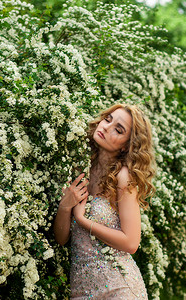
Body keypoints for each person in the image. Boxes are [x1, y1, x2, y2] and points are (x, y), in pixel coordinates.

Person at [53, 104, 156, 299]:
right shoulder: (80, 167)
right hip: (81, 290)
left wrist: (83, 220)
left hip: (119, 289)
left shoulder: (123, 177)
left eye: (118, 130)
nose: (106, 127)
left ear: (126, 145)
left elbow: (131, 242)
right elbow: (62, 239)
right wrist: (65, 206)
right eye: (108, 119)